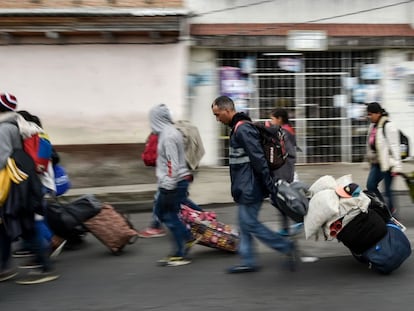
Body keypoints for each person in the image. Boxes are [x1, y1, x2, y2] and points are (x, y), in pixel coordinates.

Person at [211, 95, 298, 273]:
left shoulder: (242, 129)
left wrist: (268, 185)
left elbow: (259, 159)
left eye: (218, 114)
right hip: (245, 185)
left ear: (228, 110)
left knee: (249, 223)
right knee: (244, 223)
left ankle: (285, 246)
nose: (217, 119)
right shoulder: (237, 128)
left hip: (251, 186)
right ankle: (248, 259)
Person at [0, 93, 59, 284]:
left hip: (13, 184)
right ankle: (3, 268)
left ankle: (43, 269)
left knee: (24, 224)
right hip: (25, 180)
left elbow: (2, 159)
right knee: (7, 226)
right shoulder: (20, 123)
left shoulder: (3, 128)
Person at [149, 104, 199, 266]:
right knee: (164, 212)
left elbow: (173, 163)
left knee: (169, 216)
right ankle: (187, 238)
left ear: (157, 119)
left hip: (174, 182)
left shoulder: (168, 136)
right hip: (176, 181)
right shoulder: (168, 132)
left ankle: (180, 253)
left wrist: (169, 184)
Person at [269, 108, 303, 236]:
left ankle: (299, 218)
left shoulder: (285, 132)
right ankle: (286, 226)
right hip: (283, 171)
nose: (271, 121)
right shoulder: (284, 130)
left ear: (279, 119)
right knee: (278, 199)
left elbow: (289, 155)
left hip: (284, 171)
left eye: (272, 119)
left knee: (279, 198)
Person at [366, 102, 402, 215]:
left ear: (378, 113)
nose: (369, 116)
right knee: (371, 185)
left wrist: (397, 166)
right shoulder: (373, 126)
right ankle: (383, 208)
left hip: (388, 165)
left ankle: (391, 214)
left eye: (371, 114)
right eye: (368, 114)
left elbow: (395, 147)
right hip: (376, 162)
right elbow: (371, 144)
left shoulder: (388, 126)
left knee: (388, 191)